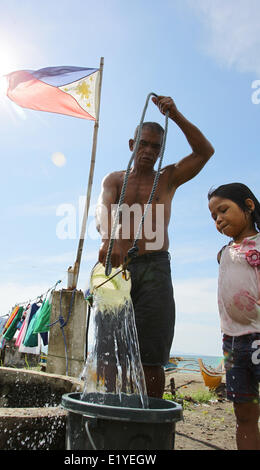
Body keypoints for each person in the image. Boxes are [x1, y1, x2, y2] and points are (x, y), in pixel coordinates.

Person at [96, 95, 215, 398]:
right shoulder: (114, 179)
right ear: (131, 144)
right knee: (108, 353)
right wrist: (109, 240)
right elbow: (102, 209)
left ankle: (148, 428)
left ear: (161, 151)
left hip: (155, 270)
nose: (148, 151)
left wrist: (174, 114)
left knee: (151, 355)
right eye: (143, 144)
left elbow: (205, 151)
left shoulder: (168, 178)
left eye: (155, 147)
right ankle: (111, 412)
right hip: (117, 270)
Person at [208, 183, 260, 450]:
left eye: (223, 210)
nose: (218, 219)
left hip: (258, 337)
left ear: (249, 206)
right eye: (214, 216)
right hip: (231, 343)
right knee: (244, 413)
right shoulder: (224, 253)